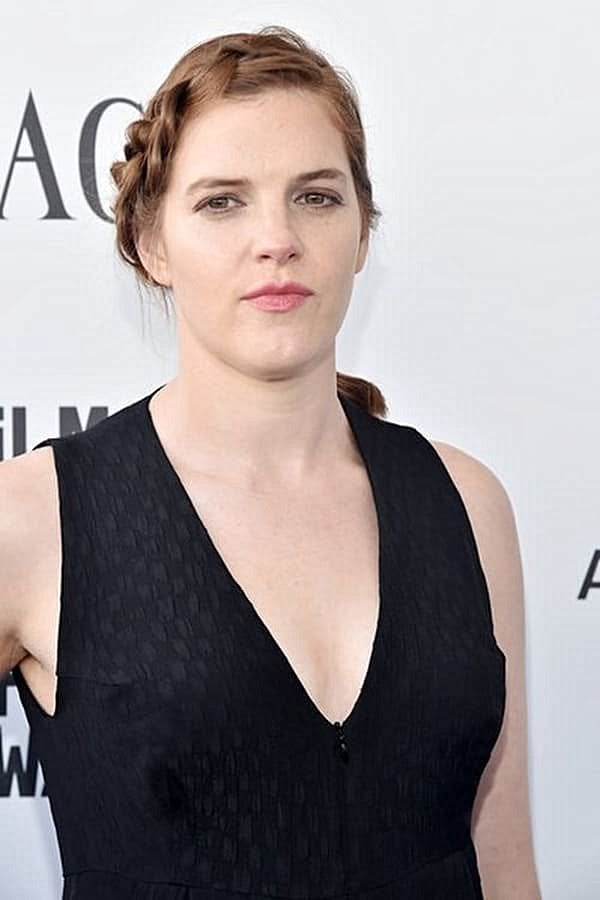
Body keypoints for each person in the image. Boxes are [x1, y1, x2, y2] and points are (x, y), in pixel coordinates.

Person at [0, 26, 541, 899]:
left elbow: (504, 862)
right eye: (223, 202)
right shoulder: (34, 519)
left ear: (362, 232)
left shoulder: (466, 503)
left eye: (316, 196)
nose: (277, 238)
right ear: (150, 242)